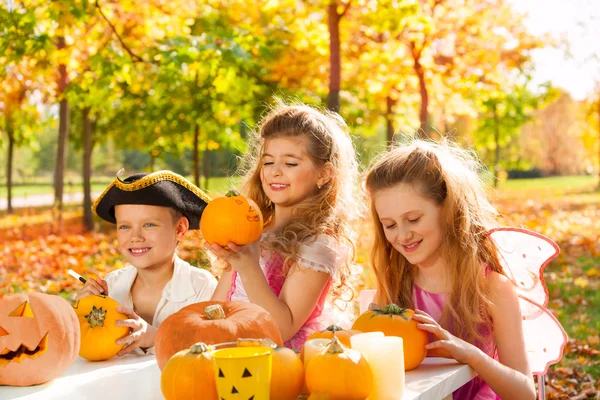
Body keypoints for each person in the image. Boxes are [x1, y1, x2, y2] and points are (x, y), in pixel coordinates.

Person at [364, 139, 536, 400]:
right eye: (389, 225)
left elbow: (524, 392)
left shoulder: (492, 288)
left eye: (413, 219)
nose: (403, 235)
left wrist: (469, 355)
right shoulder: (395, 284)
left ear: (449, 210)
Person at [208, 102, 364, 351]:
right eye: (268, 162)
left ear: (324, 174)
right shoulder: (253, 232)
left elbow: (281, 329)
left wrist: (248, 266)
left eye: (290, 164)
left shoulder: (316, 245)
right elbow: (216, 309)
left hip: (283, 367)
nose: (275, 172)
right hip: (236, 356)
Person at [75, 170, 217, 355]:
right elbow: (87, 349)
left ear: (180, 229)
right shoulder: (111, 286)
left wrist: (156, 337)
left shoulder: (202, 288)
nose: (135, 237)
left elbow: (213, 348)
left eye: (149, 225)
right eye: (125, 226)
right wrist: (80, 314)